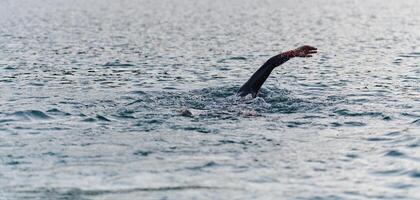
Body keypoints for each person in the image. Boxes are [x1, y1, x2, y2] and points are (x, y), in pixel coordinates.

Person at [237, 45, 317, 98]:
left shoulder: (243, 94)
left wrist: (293, 53)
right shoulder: (243, 94)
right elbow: (269, 65)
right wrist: (293, 53)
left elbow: (269, 65)